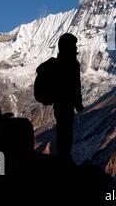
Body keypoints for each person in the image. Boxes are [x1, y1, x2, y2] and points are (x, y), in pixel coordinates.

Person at [35, 33, 84, 161]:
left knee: (63, 131)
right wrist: (78, 104)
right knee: (65, 132)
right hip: (65, 104)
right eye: (73, 45)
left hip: (59, 103)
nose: (75, 48)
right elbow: (75, 86)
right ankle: (64, 158)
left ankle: (63, 157)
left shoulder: (56, 64)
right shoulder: (72, 65)